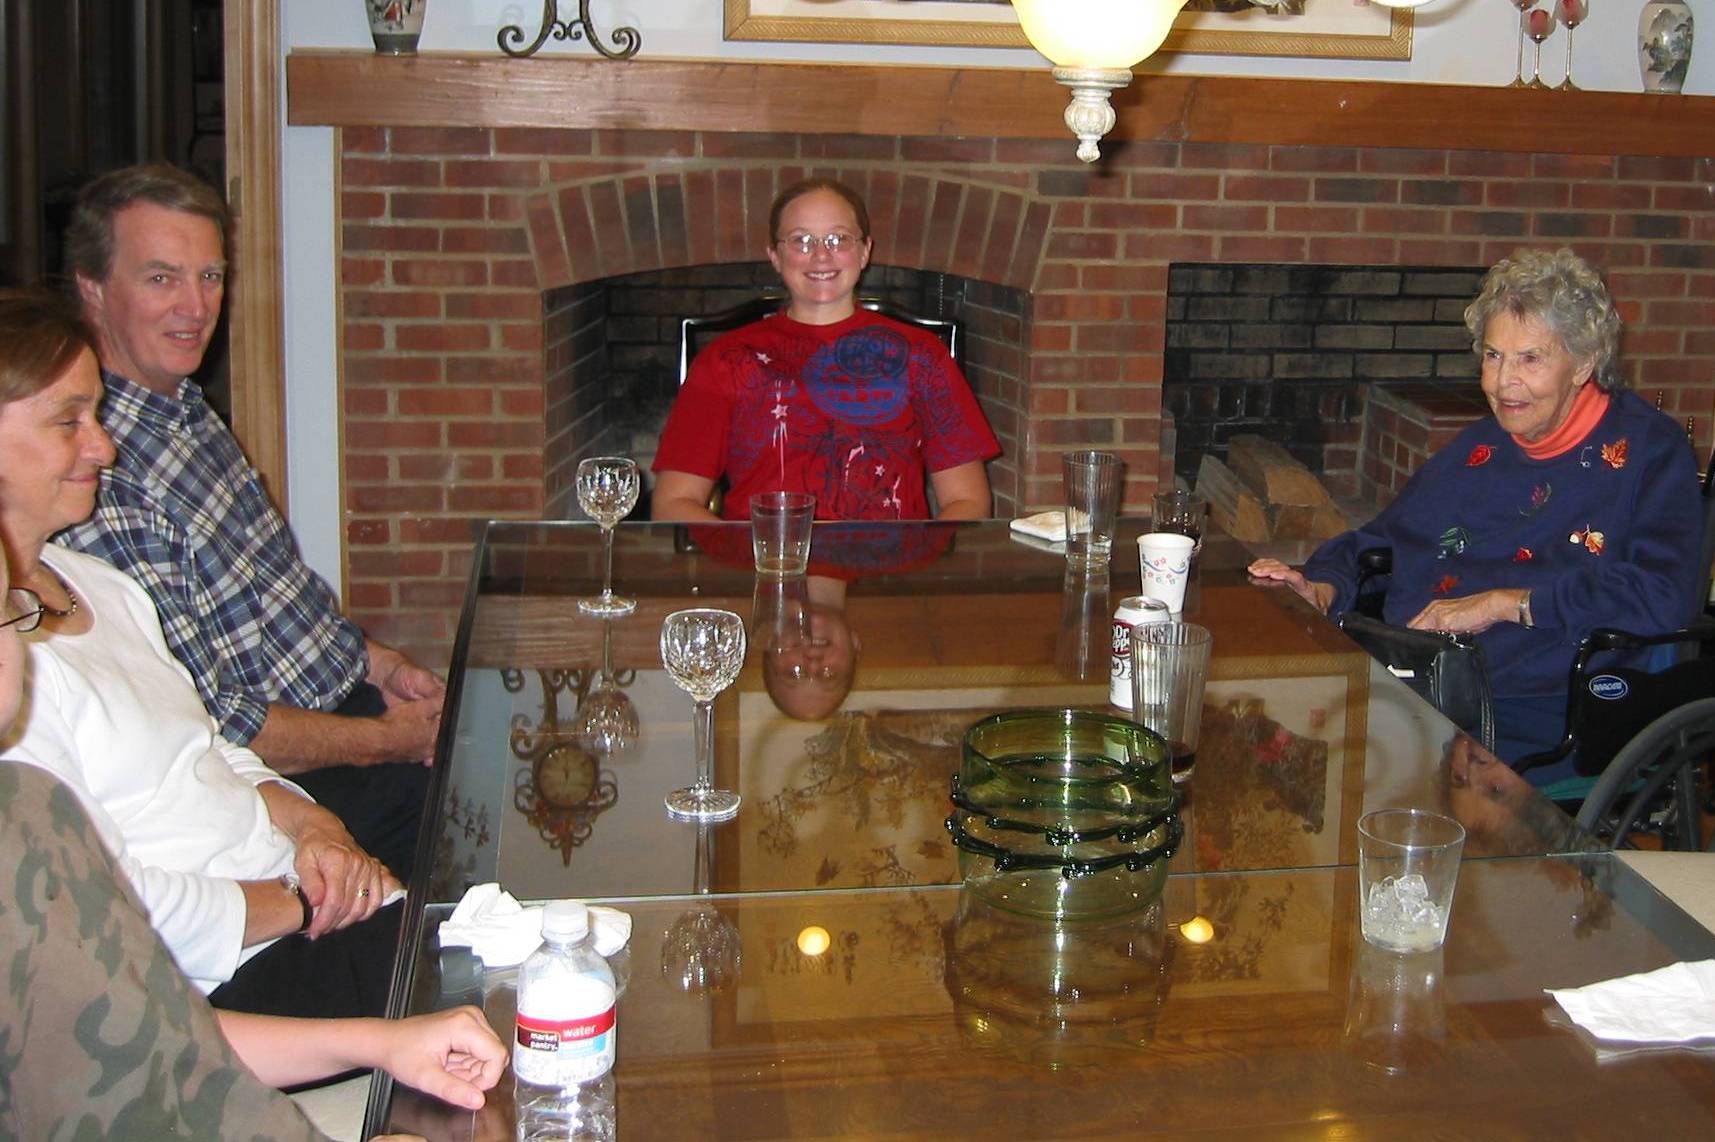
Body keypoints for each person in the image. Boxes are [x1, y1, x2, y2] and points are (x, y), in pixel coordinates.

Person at [1, 552, 505, 1137]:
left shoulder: (29, 798)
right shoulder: (26, 825)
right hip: (234, 967)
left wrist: (318, 831)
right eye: (12, 611)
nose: (25, 631)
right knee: (504, 984)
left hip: (263, 950)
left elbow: (162, 1028)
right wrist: (307, 901)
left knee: (502, 966)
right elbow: (151, 1054)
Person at [0, 287, 399, 1017]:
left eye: (97, 415)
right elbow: (108, 903)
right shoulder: (10, 672)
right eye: (68, 421)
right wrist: (301, 900)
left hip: (296, 898)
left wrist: (316, 829)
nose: (104, 448)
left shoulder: (103, 585)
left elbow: (209, 746)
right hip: (215, 979)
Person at [55, 163, 439, 881]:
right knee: (495, 831)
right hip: (282, 785)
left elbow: (280, 595)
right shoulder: (99, 475)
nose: (196, 307)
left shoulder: (182, 409)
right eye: (162, 278)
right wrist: (386, 741)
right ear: (93, 288)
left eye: (210, 277)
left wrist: (382, 665)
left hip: (345, 719)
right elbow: (209, 719)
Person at [1249, 248, 1702, 786]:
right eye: (1493, 356)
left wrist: (1505, 603)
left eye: (1530, 359)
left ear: (1583, 362)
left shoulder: (1649, 453)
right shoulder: (1481, 449)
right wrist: (1321, 586)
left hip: (1538, 702)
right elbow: (1384, 539)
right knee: (1272, 734)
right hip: (1422, 679)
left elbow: (1662, 595)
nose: (1503, 382)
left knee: (1333, 770)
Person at [652, 177, 1000, 522]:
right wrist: (748, 552)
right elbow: (673, 503)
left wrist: (920, 558)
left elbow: (968, 501)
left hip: (891, 558)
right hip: (764, 556)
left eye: (838, 239)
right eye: (801, 240)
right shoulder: (728, 359)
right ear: (775, 255)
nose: (821, 255)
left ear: (865, 251)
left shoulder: (921, 356)